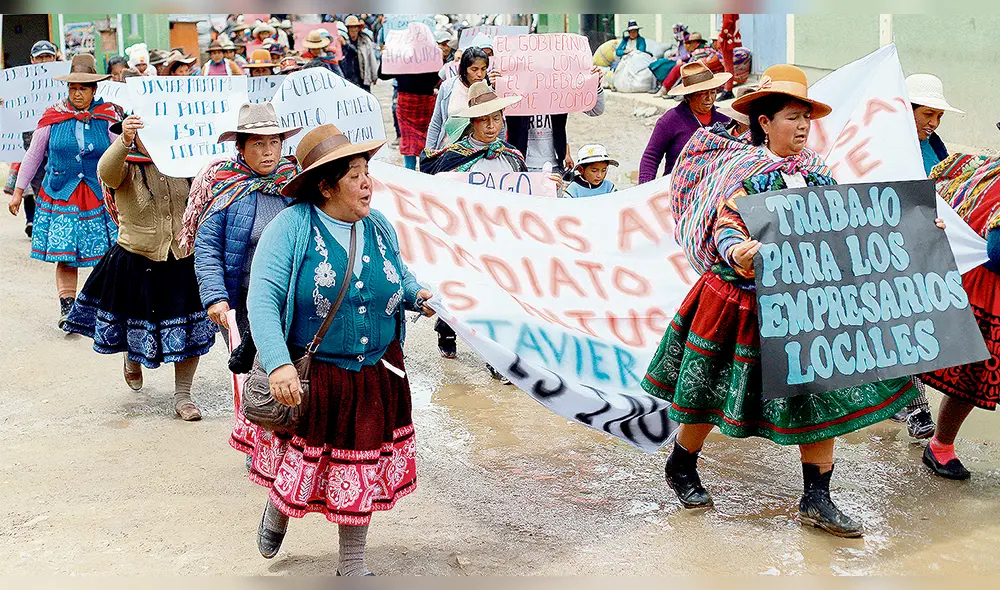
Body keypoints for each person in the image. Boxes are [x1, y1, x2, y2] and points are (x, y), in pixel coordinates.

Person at [641, 64, 941, 538]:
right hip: (740, 302)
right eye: (791, 117)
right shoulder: (744, 172)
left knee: (817, 393)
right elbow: (727, 223)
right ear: (764, 122)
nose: (802, 126)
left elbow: (853, 223)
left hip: (803, 306)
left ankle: (816, 498)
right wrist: (740, 249)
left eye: (806, 117)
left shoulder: (817, 173)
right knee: (710, 393)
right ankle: (681, 464)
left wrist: (914, 230)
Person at [247, 124, 434, 572]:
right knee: (300, 463)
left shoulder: (380, 226)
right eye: (354, 175)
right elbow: (262, 299)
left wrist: (414, 294)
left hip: (375, 371)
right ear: (325, 186)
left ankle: (352, 563)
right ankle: (279, 510)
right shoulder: (291, 227)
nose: (367, 182)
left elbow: (398, 275)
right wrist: (277, 365)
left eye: (367, 171)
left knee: (360, 465)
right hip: (315, 375)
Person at [63, 99, 214, 421]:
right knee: (134, 324)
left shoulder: (187, 163)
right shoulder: (125, 163)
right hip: (136, 258)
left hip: (183, 258)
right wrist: (124, 140)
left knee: (190, 331)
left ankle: (183, 395)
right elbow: (105, 171)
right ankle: (132, 358)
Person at [189, 103, 301, 465]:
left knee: (293, 371)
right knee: (258, 375)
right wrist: (215, 298)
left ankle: (294, 448)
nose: (268, 152)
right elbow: (206, 248)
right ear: (241, 147)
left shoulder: (296, 182)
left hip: (295, 298)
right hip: (245, 302)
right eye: (258, 144)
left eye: (274, 143)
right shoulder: (225, 185)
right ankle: (259, 448)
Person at [6, 54, 122, 327]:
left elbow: (121, 153)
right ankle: (67, 308)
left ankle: (99, 308)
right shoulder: (53, 117)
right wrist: (18, 191)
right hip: (61, 194)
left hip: (98, 195)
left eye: (83, 88)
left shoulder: (108, 117)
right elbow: (33, 155)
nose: (77, 93)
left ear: (94, 90)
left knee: (103, 255)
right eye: (73, 88)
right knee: (66, 254)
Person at [420, 81, 524, 380]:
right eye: (484, 120)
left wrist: (547, 187)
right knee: (465, 291)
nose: (491, 126)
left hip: (501, 239)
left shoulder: (512, 157)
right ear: (472, 122)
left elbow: (526, 195)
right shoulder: (454, 158)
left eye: (496, 118)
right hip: (466, 240)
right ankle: (446, 325)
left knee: (498, 295)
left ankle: (496, 357)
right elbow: (435, 196)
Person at [919, 152, 1000, 480]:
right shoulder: (985, 171)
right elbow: (998, 253)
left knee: (970, 374)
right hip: (986, 289)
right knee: (970, 375)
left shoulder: (977, 165)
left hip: (970, 281)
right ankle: (939, 446)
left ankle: (940, 445)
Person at [3, 40, 61, 238]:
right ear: (32, 60)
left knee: (60, 182)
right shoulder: (20, 83)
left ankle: (57, 224)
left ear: (55, 57)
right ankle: (45, 224)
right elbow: (11, 109)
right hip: (32, 141)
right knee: (38, 185)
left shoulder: (66, 80)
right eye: (40, 57)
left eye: (48, 56)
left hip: (60, 141)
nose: (44, 61)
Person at [639, 62, 731, 183]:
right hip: (677, 185)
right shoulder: (670, 120)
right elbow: (651, 157)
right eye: (702, 93)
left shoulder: (726, 118)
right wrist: (644, 188)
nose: (709, 98)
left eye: (713, 92)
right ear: (688, 96)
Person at [507, 71, 606, 175]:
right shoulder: (515, 89)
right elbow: (492, 112)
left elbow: (596, 110)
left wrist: (595, 85)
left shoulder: (561, 89)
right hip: (520, 165)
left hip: (555, 166)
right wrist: (496, 86)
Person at [425, 47, 492, 152]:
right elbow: (436, 123)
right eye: (474, 69)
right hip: (448, 151)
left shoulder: (489, 91)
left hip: (478, 153)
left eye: (483, 69)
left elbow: (497, 125)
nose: (479, 74)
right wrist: (429, 153)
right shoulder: (447, 87)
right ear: (464, 69)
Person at [378, 63, 440, 170]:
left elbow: (383, 75)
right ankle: (426, 169)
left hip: (406, 102)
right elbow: (437, 77)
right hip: (426, 101)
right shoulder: (429, 53)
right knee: (426, 136)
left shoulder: (401, 55)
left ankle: (409, 170)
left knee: (408, 137)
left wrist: (385, 58)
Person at [907, 74, 964, 176]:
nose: (935, 123)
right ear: (908, 110)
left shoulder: (934, 142)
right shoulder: (887, 147)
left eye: (939, 116)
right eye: (928, 114)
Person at [654, 33, 723, 97]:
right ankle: (666, 88)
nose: (689, 44)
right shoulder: (704, 49)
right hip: (703, 69)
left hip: (705, 72)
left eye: (691, 42)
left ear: (696, 42)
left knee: (679, 69)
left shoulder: (702, 50)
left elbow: (702, 63)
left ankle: (667, 89)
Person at [340, 15, 379, 93]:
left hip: (363, 75)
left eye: (355, 27)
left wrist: (374, 75)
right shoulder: (343, 41)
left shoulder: (365, 40)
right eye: (351, 27)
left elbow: (371, 57)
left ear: (358, 28)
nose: (353, 29)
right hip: (349, 76)